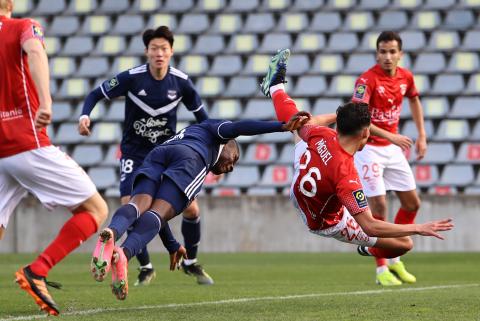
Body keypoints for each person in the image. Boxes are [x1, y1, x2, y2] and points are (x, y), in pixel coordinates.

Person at [260, 49, 452, 281]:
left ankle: (275, 87)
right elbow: (370, 226)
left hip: (300, 185)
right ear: (365, 133)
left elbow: (306, 122)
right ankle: (367, 250)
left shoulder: (321, 134)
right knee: (404, 244)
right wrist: (419, 227)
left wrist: (344, 114)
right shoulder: (347, 175)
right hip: (322, 220)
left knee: (297, 122)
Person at [91, 114, 310, 300]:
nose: (231, 167)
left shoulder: (190, 132)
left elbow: (156, 218)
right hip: (188, 159)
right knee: (157, 214)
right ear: (227, 145)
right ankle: (124, 254)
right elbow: (239, 127)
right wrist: (280, 126)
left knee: (138, 206)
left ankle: (112, 232)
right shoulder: (216, 134)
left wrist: (172, 245)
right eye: (234, 158)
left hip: (158, 153)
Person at [78, 26, 214, 285]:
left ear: (171, 51)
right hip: (135, 154)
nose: (159, 54)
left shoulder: (182, 83)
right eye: (154, 49)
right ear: (146, 52)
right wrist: (85, 116)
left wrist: (211, 156)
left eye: (164, 49)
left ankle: (190, 262)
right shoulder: (132, 78)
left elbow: (204, 121)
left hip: (168, 157)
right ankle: (145, 266)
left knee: (192, 209)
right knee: (132, 203)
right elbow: (96, 93)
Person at [0, 0, 108, 316]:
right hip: (25, 141)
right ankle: (38, 270)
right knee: (96, 209)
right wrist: (45, 100)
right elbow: (35, 51)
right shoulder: (22, 26)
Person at [350, 31, 428, 286]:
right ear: (377, 53)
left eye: (392, 51)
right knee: (379, 208)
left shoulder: (406, 77)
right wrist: (392, 137)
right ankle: (381, 268)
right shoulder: (367, 80)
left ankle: (394, 258)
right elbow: (358, 118)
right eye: (383, 51)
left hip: (392, 149)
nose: (387, 56)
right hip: (368, 148)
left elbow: (414, 100)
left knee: (412, 204)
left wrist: (422, 135)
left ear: (400, 54)